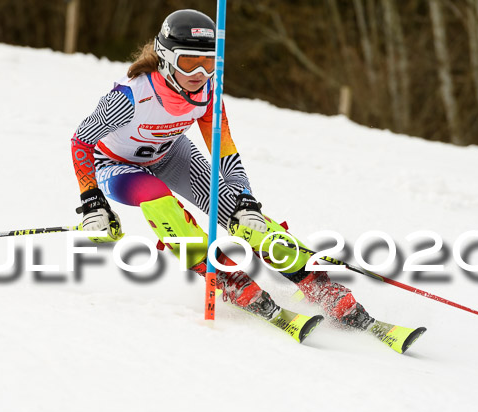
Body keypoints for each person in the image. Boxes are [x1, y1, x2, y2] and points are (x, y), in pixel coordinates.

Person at [71, 9, 374, 329]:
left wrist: (246, 200)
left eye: (209, 62)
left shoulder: (208, 92)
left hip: (171, 154)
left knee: (237, 212)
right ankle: (226, 277)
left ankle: (314, 281)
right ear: (165, 56)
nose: (200, 72)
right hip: (117, 165)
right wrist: (92, 200)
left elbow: (224, 150)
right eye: (189, 61)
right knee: (158, 199)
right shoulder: (130, 96)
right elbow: (81, 141)